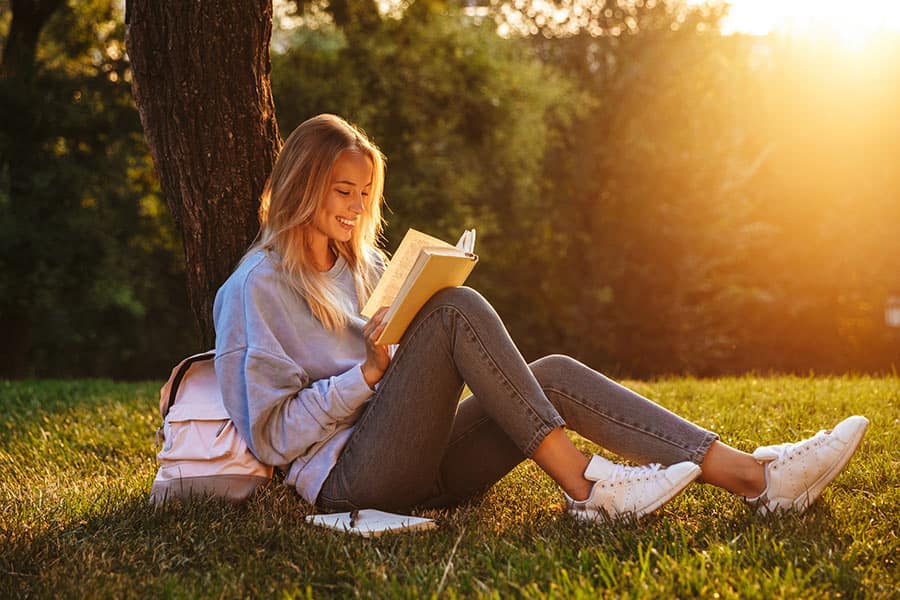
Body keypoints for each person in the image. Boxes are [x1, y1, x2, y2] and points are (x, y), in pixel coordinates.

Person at [213, 114, 868, 521]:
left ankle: (757, 477)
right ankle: (588, 489)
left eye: (365, 193)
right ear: (303, 186)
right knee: (454, 310)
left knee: (548, 372)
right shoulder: (256, 290)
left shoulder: (362, 266)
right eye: (342, 192)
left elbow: (411, 377)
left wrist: (403, 351)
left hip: (417, 460)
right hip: (348, 483)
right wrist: (366, 377)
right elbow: (270, 436)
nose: (357, 208)